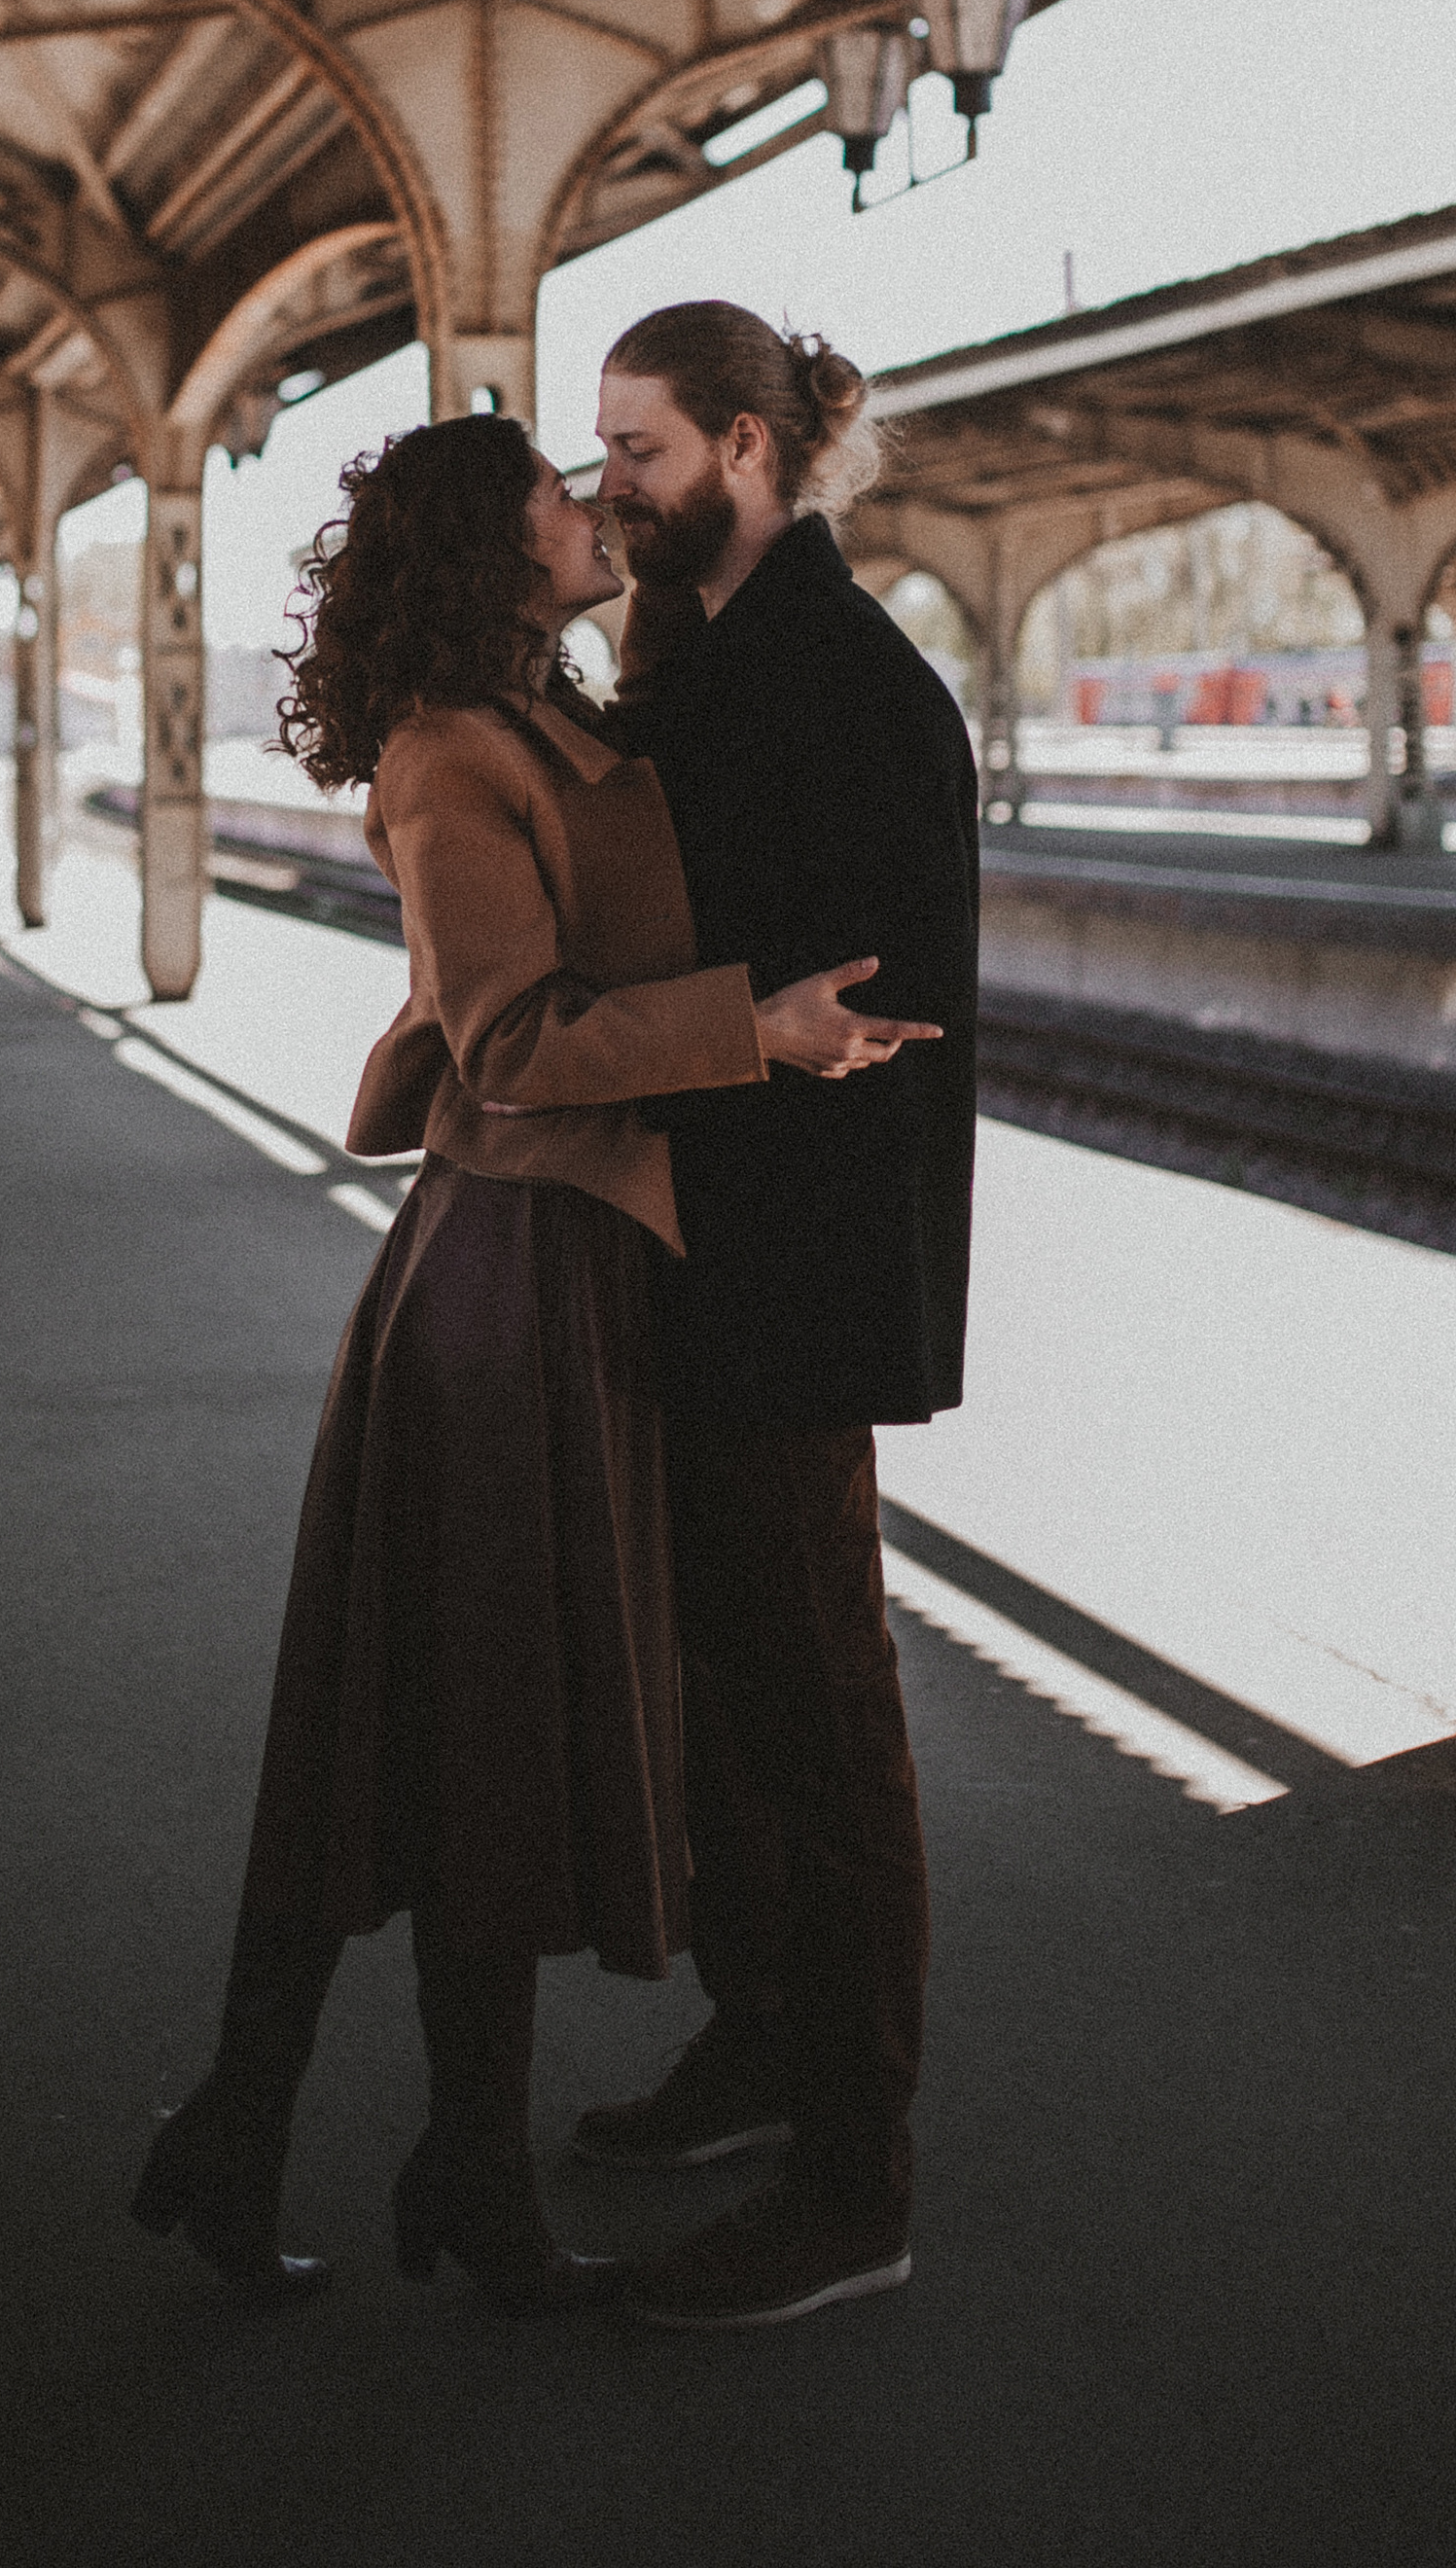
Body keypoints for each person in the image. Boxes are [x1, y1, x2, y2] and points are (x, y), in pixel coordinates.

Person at [131, 411, 936, 2314]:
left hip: (572, 1271)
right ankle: (392, 2158)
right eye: (557, 497)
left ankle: (364, 2149)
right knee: (443, 1721)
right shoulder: (449, 755)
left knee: (448, 1725)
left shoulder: (548, 717)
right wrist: (755, 1028)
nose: (591, 506)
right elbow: (506, 1042)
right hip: (505, 1290)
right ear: (487, 553)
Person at [576, 303, 978, 2333]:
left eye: (638, 451)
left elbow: (865, 1006)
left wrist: (698, 1033)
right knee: (732, 1698)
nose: (611, 489)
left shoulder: (838, 673)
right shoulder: (724, 657)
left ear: (746, 444)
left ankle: (855, 2174)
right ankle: (760, 2044)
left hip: (792, 1277)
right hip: (708, 1255)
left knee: (821, 1715)